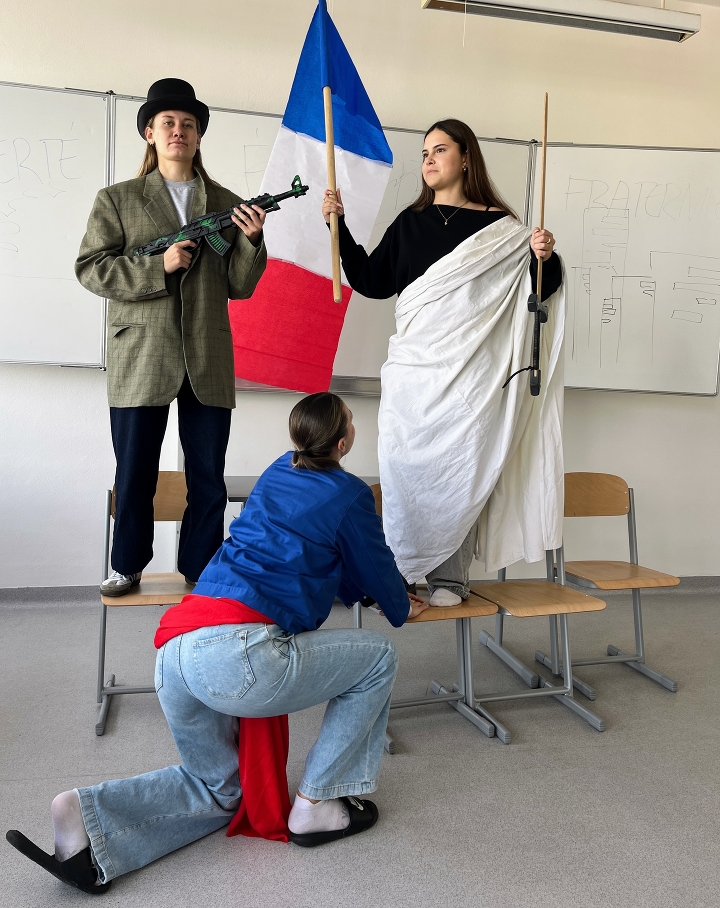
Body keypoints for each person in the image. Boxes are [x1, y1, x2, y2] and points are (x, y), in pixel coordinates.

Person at [6, 392, 428, 894]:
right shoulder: (350, 493)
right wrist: (398, 603)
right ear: (341, 442)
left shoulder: (277, 470)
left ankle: (84, 814)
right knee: (378, 657)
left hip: (176, 649)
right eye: (353, 420)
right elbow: (372, 563)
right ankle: (318, 804)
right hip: (239, 654)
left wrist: (370, 591)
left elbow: (304, 550)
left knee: (221, 789)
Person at [322, 118, 564, 605]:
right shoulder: (410, 221)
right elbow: (371, 280)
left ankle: (450, 578)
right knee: (404, 469)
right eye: (425, 153)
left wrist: (545, 256)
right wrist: (338, 227)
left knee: (461, 467)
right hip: (413, 373)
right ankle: (401, 572)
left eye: (439, 150)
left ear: (466, 157)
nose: (429, 160)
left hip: (471, 376)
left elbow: (541, 289)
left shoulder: (503, 230)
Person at [76, 79, 268, 597]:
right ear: (150, 133)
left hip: (207, 353)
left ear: (199, 135)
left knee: (208, 475)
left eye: (188, 124)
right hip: (141, 354)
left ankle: (202, 568)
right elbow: (91, 269)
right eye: (168, 123)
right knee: (135, 470)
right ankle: (127, 564)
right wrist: (156, 266)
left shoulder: (227, 203)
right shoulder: (117, 199)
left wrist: (252, 241)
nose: (178, 131)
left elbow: (240, 286)